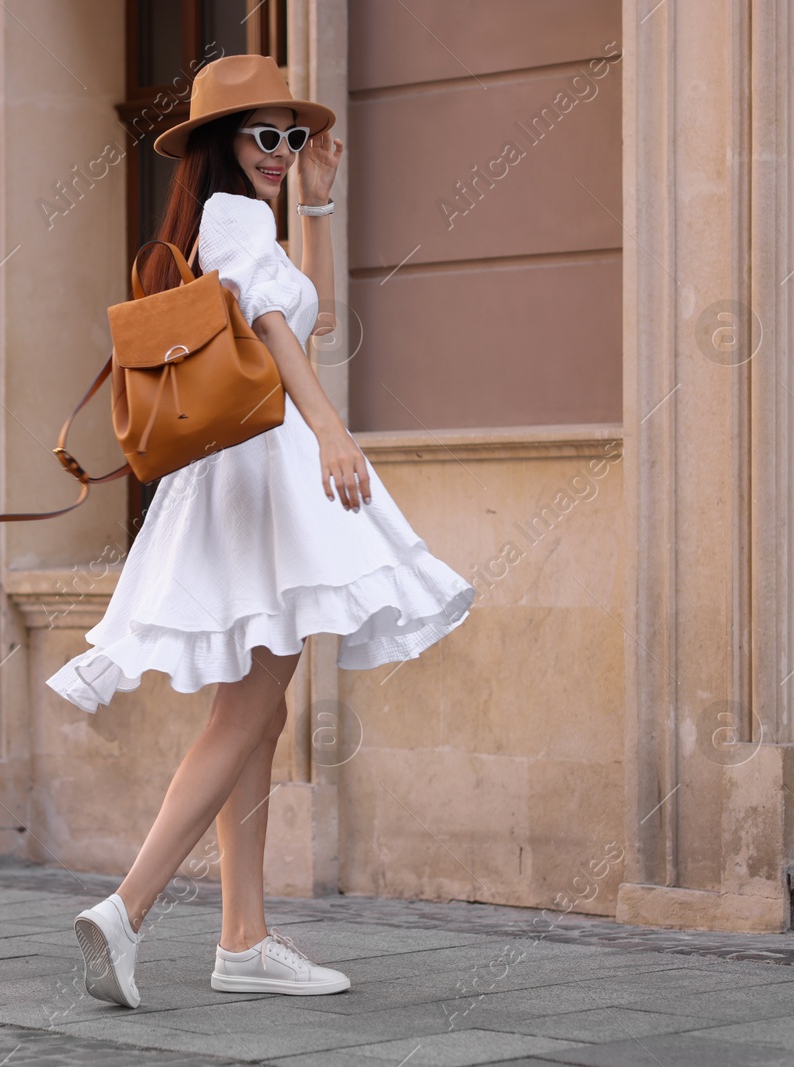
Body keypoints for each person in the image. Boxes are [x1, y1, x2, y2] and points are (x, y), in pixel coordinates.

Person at [56, 54, 476, 1009]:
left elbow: (306, 315)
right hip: (269, 467)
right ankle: (127, 906)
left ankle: (242, 940)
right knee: (245, 708)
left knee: (263, 707)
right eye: (264, 136)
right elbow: (286, 336)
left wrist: (319, 207)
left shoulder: (242, 224)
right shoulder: (232, 218)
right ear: (220, 144)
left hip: (240, 475)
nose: (283, 152)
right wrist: (331, 427)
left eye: (291, 136)